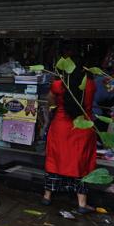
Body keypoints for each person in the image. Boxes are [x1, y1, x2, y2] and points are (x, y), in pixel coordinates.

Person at [43, 58, 97, 213]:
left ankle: (47, 196)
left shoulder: (58, 85)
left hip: (60, 127)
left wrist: (55, 107)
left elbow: (50, 101)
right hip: (82, 128)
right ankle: (82, 203)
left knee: (54, 160)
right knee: (81, 164)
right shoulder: (90, 85)